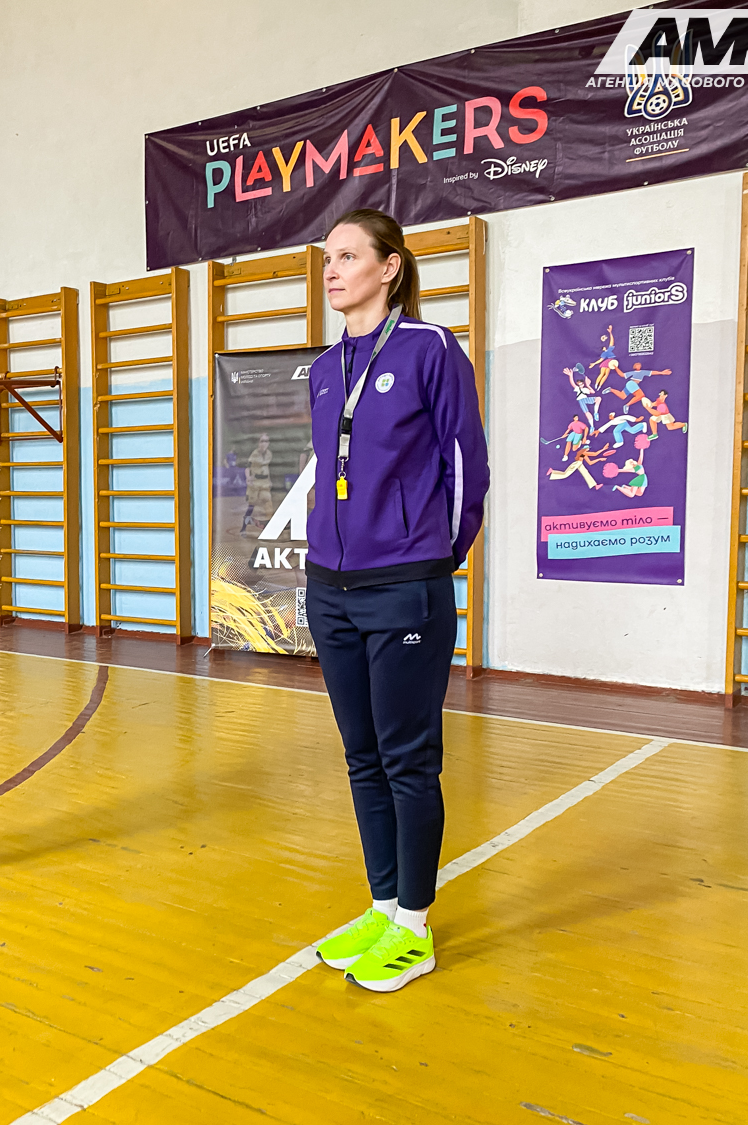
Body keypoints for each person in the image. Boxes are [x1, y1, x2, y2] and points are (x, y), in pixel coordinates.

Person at [305, 208, 489, 993]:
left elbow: (466, 467)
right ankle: (382, 905)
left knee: (408, 759)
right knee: (362, 755)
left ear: (391, 267)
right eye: (327, 258)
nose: (332, 270)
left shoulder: (430, 349)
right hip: (330, 591)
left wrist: (427, 559)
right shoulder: (323, 368)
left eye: (348, 256)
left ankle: (414, 922)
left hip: (406, 587)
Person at [241, 433, 274, 534]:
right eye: (262, 441)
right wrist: (248, 478)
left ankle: (268, 528)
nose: (264, 444)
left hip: (265, 482)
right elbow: (248, 467)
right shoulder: (254, 454)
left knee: (268, 504)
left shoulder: (269, 454)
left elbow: (266, 468)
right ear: (258, 443)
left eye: (266, 441)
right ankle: (243, 528)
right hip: (255, 482)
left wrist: (269, 480)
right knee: (251, 506)